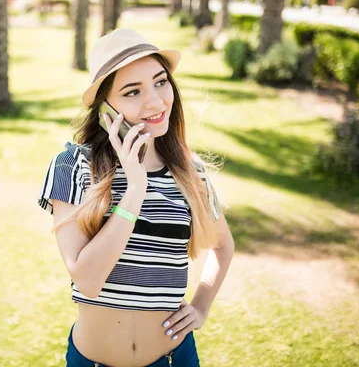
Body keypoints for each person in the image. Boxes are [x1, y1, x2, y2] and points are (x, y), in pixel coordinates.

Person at [38, 28, 235, 367]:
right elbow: (86, 280)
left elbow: (223, 245)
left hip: (174, 359)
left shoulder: (191, 172)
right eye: (133, 92)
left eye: (161, 82)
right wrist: (135, 189)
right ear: (106, 109)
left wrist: (201, 307)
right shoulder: (73, 166)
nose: (156, 102)